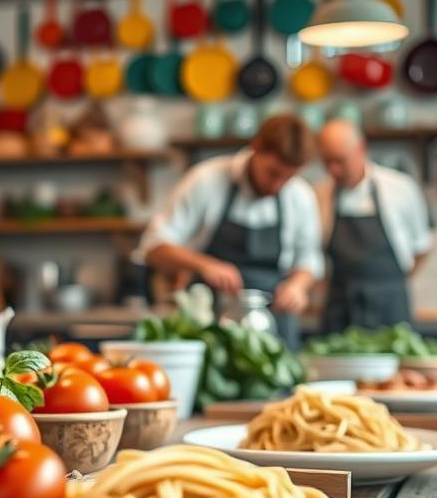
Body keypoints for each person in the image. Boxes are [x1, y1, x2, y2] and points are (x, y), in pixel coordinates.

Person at [138, 114, 323, 346]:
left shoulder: (300, 195)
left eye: (287, 178)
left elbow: (309, 259)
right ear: (256, 147)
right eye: (273, 174)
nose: (277, 186)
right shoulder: (206, 179)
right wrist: (205, 264)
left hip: (274, 326)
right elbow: (152, 246)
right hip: (211, 325)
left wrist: (298, 286)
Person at [314, 119, 432, 334]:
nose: (334, 170)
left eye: (340, 161)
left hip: (391, 306)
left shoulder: (400, 188)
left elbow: (422, 247)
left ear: (361, 148)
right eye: (327, 162)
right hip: (340, 308)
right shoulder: (320, 194)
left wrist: (390, 286)